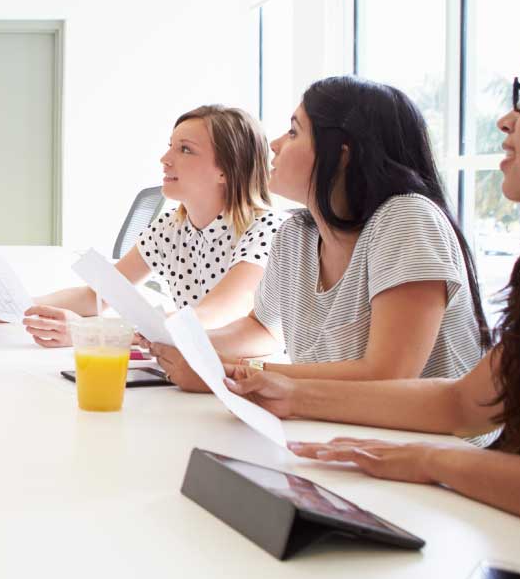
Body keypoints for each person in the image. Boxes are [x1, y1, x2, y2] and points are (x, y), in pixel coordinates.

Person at [228, 0, 520, 554]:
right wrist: (288, 394)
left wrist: (434, 463)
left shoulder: (405, 218)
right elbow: (461, 403)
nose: (506, 117)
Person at [155, 77, 489, 389]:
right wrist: (179, 343)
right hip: (343, 431)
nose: (274, 144)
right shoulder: (293, 235)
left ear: (342, 154)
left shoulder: (406, 218)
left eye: (294, 132)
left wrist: (233, 373)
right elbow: (262, 329)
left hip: (430, 443)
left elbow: (388, 375)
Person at [0, 105, 282, 345]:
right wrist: (17, 307)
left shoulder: (265, 230)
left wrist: (90, 334)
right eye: (170, 145)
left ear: (226, 171)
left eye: (185, 149)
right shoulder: (169, 228)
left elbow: (216, 314)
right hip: (190, 369)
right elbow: (99, 294)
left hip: (244, 375)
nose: (165, 158)